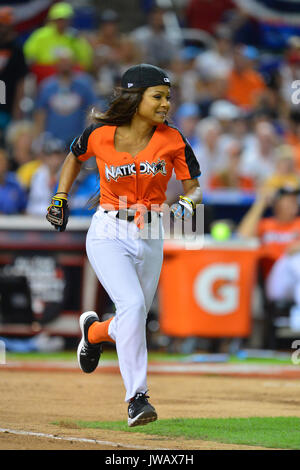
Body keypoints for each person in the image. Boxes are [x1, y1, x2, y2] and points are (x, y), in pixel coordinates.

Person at [46, 63, 201, 426]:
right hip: (108, 230)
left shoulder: (173, 138)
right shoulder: (99, 133)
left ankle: (95, 331)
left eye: (168, 97)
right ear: (136, 97)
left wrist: (186, 206)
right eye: (158, 96)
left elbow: (193, 188)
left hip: (150, 230)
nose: (166, 104)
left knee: (134, 317)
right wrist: (60, 197)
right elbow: (74, 156)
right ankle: (137, 399)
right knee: (131, 305)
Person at [237, 185, 300, 329]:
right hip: (275, 282)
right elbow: (242, 237)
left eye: (294, 199)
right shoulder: (266, 225)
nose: (293, 202)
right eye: (288, 200)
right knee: (294, 259)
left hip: (296, 282)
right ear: (277, 204)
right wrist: (260, 203)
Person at [23, 2, 93, 85]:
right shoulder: (41, 35)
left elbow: (86, 60)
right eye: (59, 20)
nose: (62, 23)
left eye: (65, 20)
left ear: (70, 21)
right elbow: (28, 54)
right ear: (52, 20)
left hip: (69, 73)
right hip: (45, 72)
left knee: (84, 76)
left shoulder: (74, 36)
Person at [0, 6, 29, 139]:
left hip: (7, 104)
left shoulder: (17, 50)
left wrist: (17, 108)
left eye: (5, 25)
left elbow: (21, 81)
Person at [0, 147, 27, 214]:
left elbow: (23, 208)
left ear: (7, 164)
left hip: (14, 222)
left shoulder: (15, 183)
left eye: (2, 161)